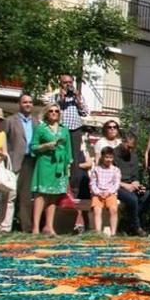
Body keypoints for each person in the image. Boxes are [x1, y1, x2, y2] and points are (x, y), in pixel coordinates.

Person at [29, 103, 72, 236]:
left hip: (59, 165)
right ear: (46, 113)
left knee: (54, 195)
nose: (54, 113)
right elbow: (33, 147)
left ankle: (49, 226)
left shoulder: (64, 129)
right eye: (51, 111)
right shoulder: (41, 128)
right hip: (44, 163)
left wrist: (68, 164)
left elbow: (68, 148)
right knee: (41, 194)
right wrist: (46, 146)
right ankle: (35, 227)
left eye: (57, 111)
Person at [54, 74, 89, 234]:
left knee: (74, 164)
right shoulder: (55, 96)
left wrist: (77, 98)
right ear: (60, 84)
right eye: (65, 83)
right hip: (61, 130)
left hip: (75, 130)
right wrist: (61, 98)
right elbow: (52, 112)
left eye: (70, 82)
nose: (68, 85)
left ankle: (73, 193)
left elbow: (85, 112)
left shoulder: (77, 97)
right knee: (61, 161)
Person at [4, 94, 38, 232]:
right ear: (19, 104)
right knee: (10, 195)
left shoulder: (36, 122)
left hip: (31, 160)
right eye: (25, 102)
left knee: (26, 196)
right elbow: (4, 140)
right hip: (14, 161)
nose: (28, 104)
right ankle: (5, 227)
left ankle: (26, 227)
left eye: (30, 102)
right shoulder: (10, 121)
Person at [114, 133, 148, 237]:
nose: (130, 150)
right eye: (128, 146)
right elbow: (110, 178)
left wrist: (136, 183)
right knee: (132, 199)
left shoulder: (133, 156)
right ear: (123, 142)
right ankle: (136, 227)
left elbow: (135, 175)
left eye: (132, 148)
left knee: (148, 196)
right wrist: (125, 185)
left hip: (131, 185)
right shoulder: (113, 154)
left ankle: (127, 221)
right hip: (118, 186)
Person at [89, 146, 121, 236]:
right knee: (97, 210)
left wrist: (109, 192)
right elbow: (92, 183)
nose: (109, 159)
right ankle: (98, 232)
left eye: (110, 157)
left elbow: (116, 184)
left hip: (110, 193)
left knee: (113, 209)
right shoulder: (96, 169)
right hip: (98, 193)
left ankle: (113, 232)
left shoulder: (115, 170)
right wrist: (98, 192)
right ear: (102, 157)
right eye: (107, 157)